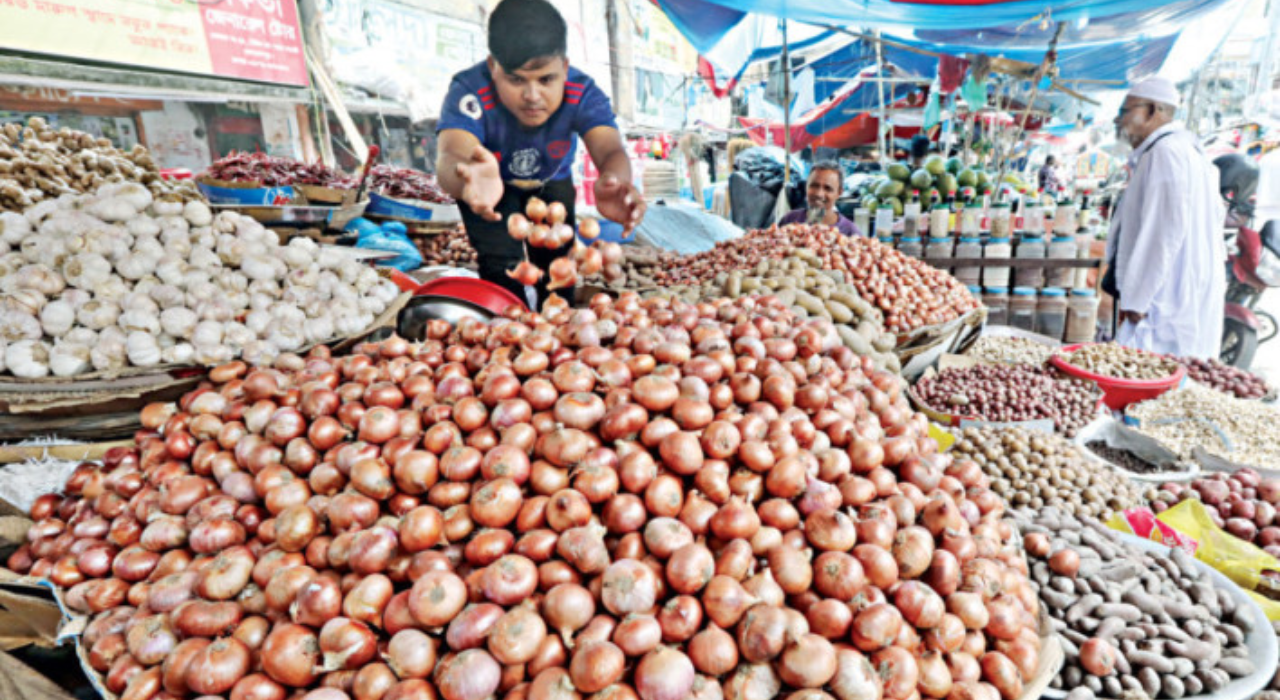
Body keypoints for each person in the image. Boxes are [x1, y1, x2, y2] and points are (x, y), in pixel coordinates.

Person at [435, 0, 645, 309]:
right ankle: (510, 336)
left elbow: (610, 147)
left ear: (564, 67)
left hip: (552, 181)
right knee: (500, 267)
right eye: (516, 79)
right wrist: (466, 178)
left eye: (546, 80)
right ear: (493, 67)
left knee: (559, 268)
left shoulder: (582, 91)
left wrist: (616, 179)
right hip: (492, 188)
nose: (532, 97)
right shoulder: (469, 90)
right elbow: (451, 153)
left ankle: (559, 333)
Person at [1104, 76, 1225, 358]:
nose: (1118, 121)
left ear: (1151, 111)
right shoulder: (1180, 150)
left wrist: (1138, 298)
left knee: (1153, 369)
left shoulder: (1166, 153)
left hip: (1167, 294)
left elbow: (1162, 232)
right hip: (1177, 288)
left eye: (1125, 112)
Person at [778, 161, 862, 236]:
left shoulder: (850, 232)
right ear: (806, 186)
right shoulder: (789, 219)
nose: (819, 194)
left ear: (839, 193)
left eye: (828, 188)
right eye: (814, 186)